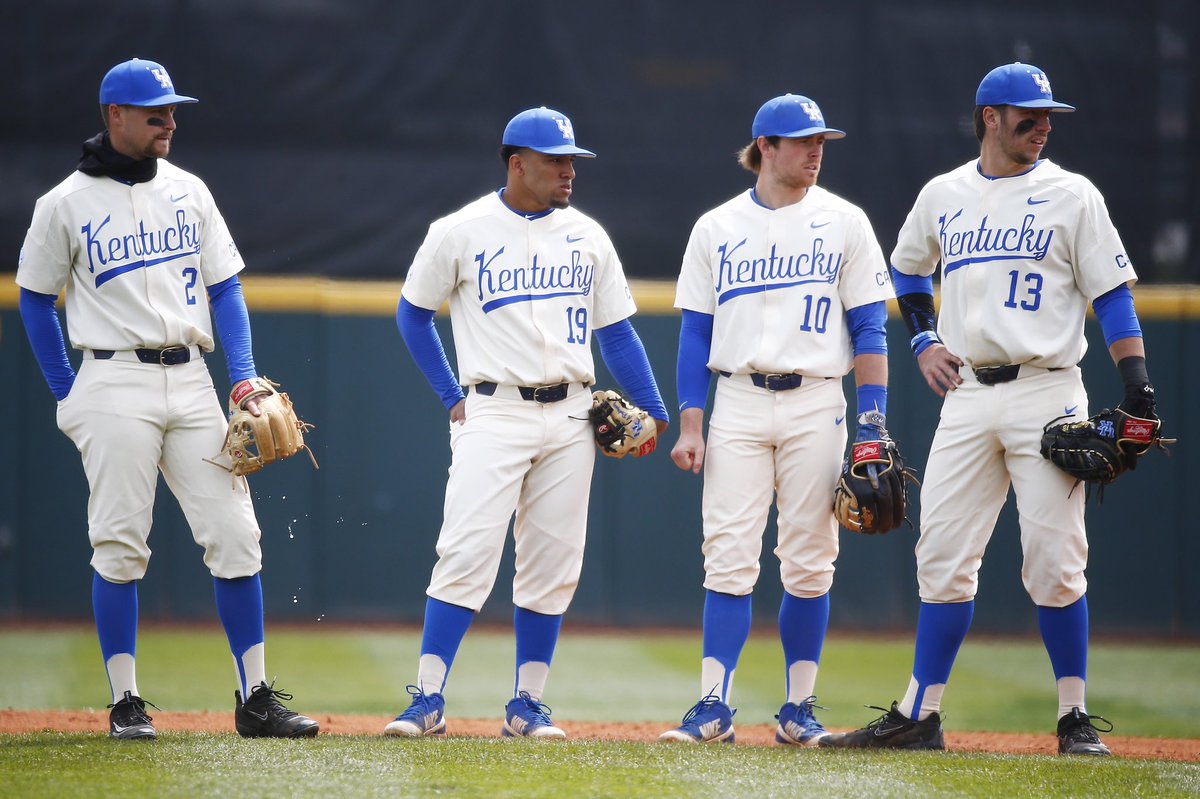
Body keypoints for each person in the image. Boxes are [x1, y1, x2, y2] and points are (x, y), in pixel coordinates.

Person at [820, 62, 1157, 756]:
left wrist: (1138, 385)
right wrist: (922, 338)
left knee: (1055, 558)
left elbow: (1113, 294)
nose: (1042, 127)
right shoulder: (945, 193)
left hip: (1046, 386)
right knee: (940, 554)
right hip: (969, 393)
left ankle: (1074, 717)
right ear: (989, 118)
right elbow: (908, 267)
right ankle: (920, 713)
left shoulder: (1073, 195)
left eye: (1048, 118)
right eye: (1028, 116)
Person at [16, 58, 318, 740]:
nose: (170, 122)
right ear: (114, 116)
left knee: (237, 535)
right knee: (120, 543)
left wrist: (240, 375)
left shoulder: (190, 190)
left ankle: (256, 697)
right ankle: (125, 701)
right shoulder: (63, 204)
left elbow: (226, 288)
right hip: (112, 377)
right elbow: (34, 300)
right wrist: (69, 390)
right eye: (156, 113)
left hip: (190, 378)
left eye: (173, 111)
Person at [389, 106, 668, 739]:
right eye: (555, 160)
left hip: (573, 412)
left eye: (573, 160)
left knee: (553, 561)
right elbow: (412, 315)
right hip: (493, 408)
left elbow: (617, 332)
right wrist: (448, 397)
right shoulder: (459, 231)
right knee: (464, 552)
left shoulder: (588, 235)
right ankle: (427, 698)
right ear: (517, 163)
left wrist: (653, 408)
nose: (569, 170)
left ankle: (527, 705)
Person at [659, 94, 897, 745]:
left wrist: (873, 423)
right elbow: (694, 334)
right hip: (736, 395)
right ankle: (713, 705)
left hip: (818, 397)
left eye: (821, 141)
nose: (816, 151)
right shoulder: (716, 227)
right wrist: (690, 422)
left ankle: (799, 708)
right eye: (802, 141)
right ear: (764, 146)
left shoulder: (845, 221)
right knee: (728, 557)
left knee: (810, 559)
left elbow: (870, 327)